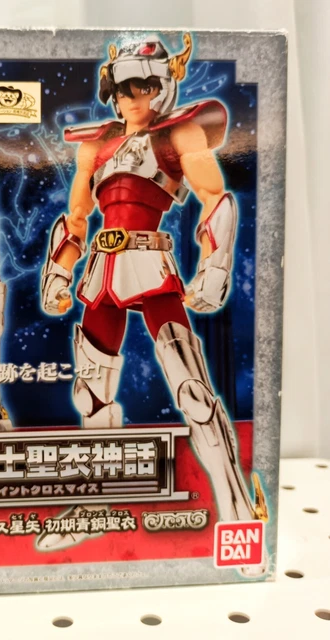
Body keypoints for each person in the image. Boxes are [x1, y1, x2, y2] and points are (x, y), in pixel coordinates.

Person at [40, 34, 267, 554]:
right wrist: (57, 274)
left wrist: (214, 266)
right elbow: (76, 219)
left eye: (143, 87)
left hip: (151, 265)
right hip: (101, 272)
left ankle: (236, 510)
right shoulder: (95, 144)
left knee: (194, 394)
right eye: (123, 89)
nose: (132, 98)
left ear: (163, 86)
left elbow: (215, 198)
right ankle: (95, 506)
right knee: (91, 395)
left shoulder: (177, 133)